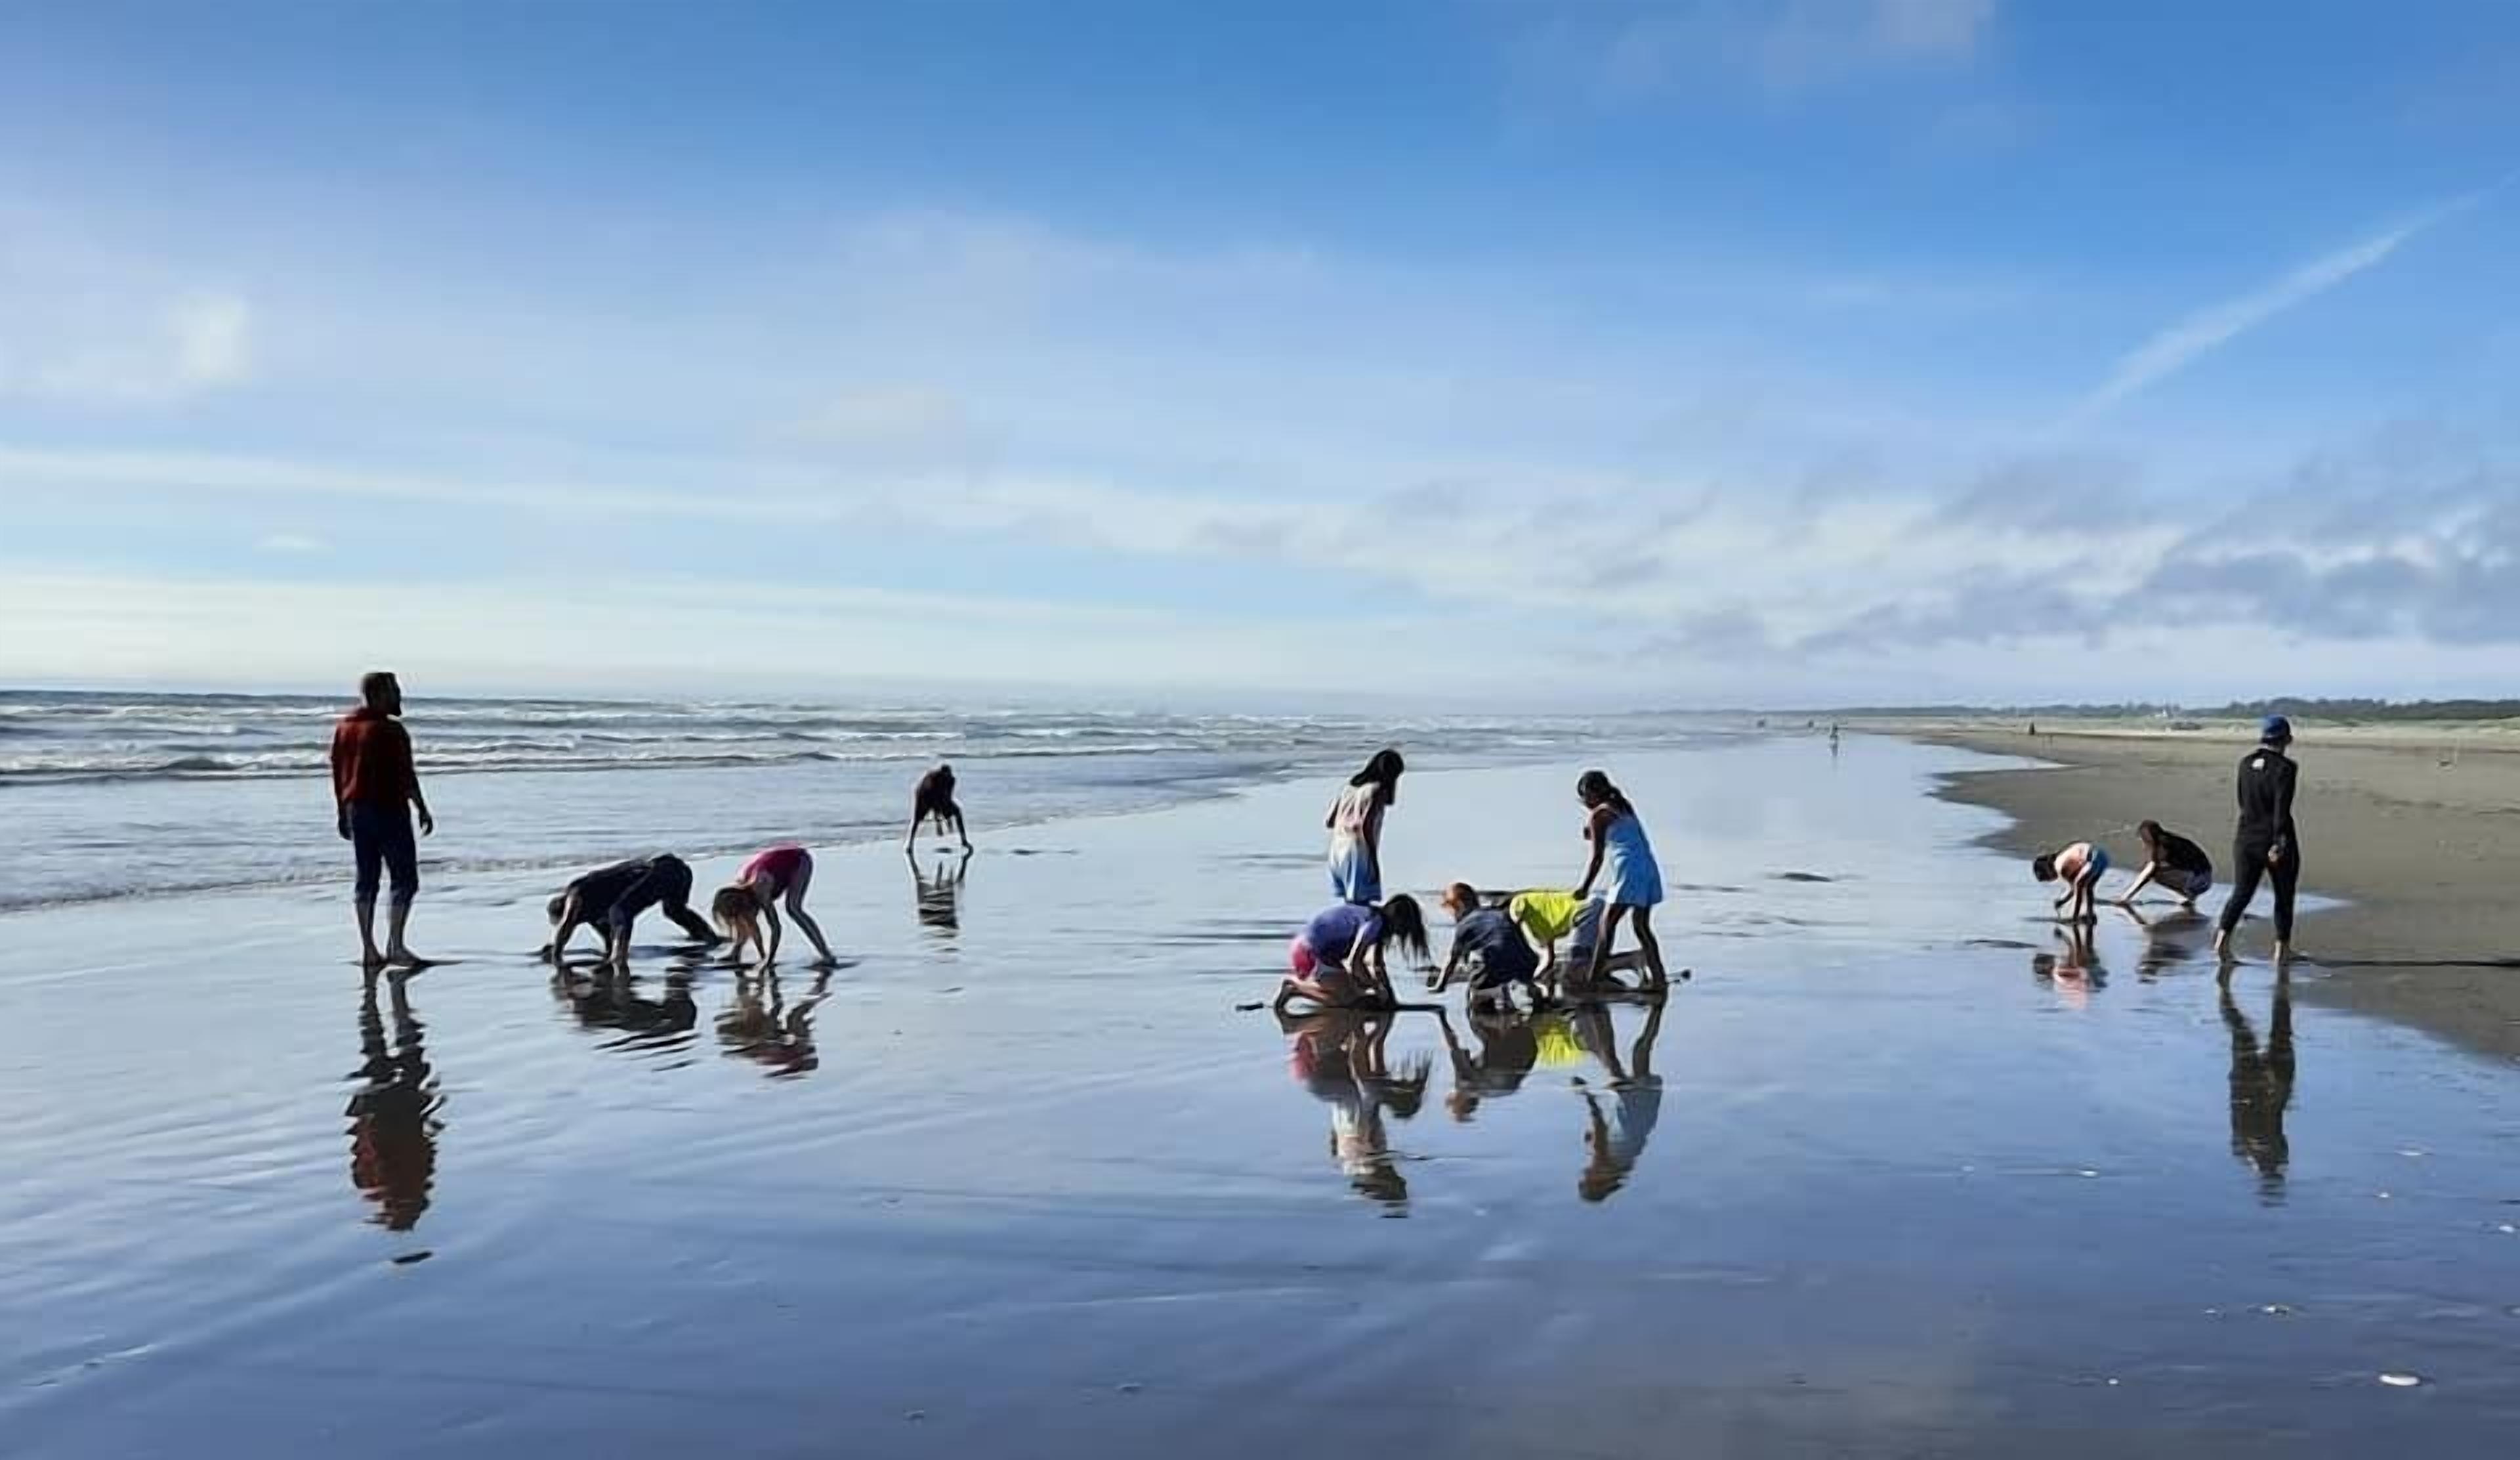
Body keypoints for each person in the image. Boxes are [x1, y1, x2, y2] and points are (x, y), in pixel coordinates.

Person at [331, 670, 434, 969]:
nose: (400, 696)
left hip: (356, 809)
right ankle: (396, 944)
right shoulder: (390, 731)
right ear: (378, 695)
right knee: (404, 878)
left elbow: (338, 775)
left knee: (367, 879)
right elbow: (405, 774)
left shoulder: (344, 729)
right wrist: (422, 807)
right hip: (389, 807)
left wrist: (341, 811)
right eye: (394, 691)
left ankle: (369, 949)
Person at [2214, 716, 2303, 970]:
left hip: (2245, 837)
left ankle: (2222, 941)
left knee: (2242, 892)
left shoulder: (2244, 764)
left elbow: (2243, 801)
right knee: (2284, 895)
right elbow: (2281, 810)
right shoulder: (2286, 768)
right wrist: (2279, 843)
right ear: (2287, 739)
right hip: (2273, 838)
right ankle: (2282, 951)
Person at [1572, 770, 1673, 992]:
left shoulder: (1599, 814)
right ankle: (1659, 979)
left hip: (1630, 872)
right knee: (1642, 927)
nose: (1585, 803)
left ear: (1592, 794)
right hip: (1648, 868)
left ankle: (1593, 981)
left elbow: (1597, 858)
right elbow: (1618, 834)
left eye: (1586, 798)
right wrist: (1592, 832)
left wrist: (1584, 887)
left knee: (1606, 926)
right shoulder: (1622, 806)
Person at [543, 854, 720, 966]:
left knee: (621, 911)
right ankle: (711, 939)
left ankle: (620, 959)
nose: (574, 924)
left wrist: (557, 955)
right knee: (674, 911)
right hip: (677, 871)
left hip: (664, 869)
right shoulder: (595, 915)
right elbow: (610, 937)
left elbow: (567, 925)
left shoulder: (577, 893)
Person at [1276, 893, 1430, 1011]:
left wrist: (1388, 994)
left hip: (1319, 951)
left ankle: (1319, 986)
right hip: (1309, 951)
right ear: (1398, 920)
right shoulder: (1374, 923)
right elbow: (1354, 961)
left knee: (1357, 992)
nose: (1401, 933)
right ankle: (1295, 988)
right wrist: (1376, 987)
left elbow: (1377, 965)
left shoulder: (1377, 921)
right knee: (1346, 1002)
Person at [712, 844, 838, 968]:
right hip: (774, 862)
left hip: (798, 859)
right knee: (746, 917)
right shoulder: (740, 888)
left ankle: (826, 955)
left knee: (793, 909)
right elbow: (747, 922)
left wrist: (769, 959)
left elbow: (776, 927)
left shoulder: (761, 888)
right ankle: (736, 952)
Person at [1433, 883, 1542, 1009]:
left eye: (1451, 911)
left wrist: (1440, 986)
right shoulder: (1497, 913)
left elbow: (1452, 960)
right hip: (1526, 960)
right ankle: (1532, 993)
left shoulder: (1465, 926)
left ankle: (1492, 996)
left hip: (1497, 960)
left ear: (1459, 906)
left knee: (1475, 995)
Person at [1324, 748, 1403, 904]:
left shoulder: (1349, 788)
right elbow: (1365, 825)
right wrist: (1373, 857)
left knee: (1349, 901)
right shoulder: (1377, 790)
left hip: (1337, 847)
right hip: (1357, 847)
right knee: (1361, 901)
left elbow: (1329, 821)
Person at [2116, 820, 2216, 909]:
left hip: (2200, 880)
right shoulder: (2169, 840)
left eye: (2144, 839)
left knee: (2155, 874)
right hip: (2205, 878)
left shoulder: (2163, 844)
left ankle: (2189, 895)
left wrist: (2126, 896)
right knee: (2153, 871)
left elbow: (2151, 870)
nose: (2143, 843)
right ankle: (2189, 897)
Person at [2032, 840, 2109, 923]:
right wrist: (2063, 901)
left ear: (2048, 871)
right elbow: (2074, 889)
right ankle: (2090, 915)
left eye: (2048, 878)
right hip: (2103, 858)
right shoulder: (2060, 859)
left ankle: (2075, 917)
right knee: (2088, 887)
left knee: (2080, 885)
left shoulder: (2059, 866)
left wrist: (2070, 910)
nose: (2052, 880)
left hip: (2091, 857)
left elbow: (2077, 887)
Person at [906, 763, 973, 851]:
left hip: (940, 797)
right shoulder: (932, 780)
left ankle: (964, 841)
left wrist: (948, 819)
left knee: (957, 811)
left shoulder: (951, 780)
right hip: (923, 795)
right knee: (917, 820)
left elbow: (948, 798)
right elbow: (934, 802)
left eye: (948, 776)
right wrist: (939, 824)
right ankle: (910, 844)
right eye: (944, 777)